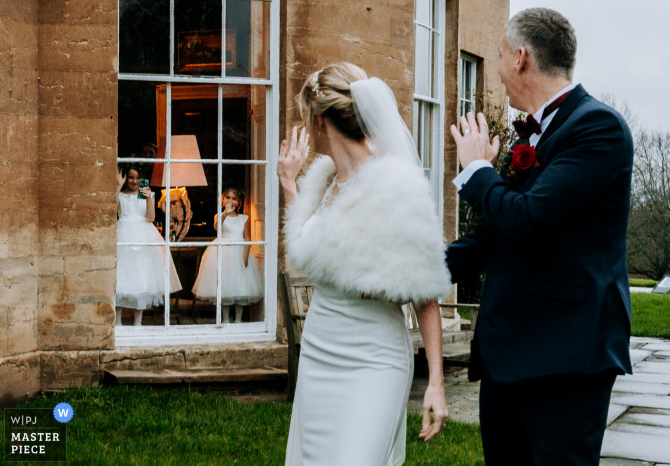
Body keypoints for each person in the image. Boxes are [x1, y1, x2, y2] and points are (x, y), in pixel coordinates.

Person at [446, 8, 633, 466]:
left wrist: (477, 169)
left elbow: (528, 218)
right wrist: (417, 269)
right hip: (508, 351)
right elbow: (497, 232)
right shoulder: (535, 134)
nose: (499, 66)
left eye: (501, 54)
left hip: (564, 355)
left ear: (522, 58)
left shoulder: (598, 128)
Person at [279, 63, 452, 466]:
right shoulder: (322, 180)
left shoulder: (396, 186)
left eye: (308, 118)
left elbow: (426, 298)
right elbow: (305, 251)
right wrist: (290, 185)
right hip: (320, 350)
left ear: (322, 120)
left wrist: (437, 384)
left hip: (374, 358)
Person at [116, 164, 182, 325]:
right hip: (123, 233)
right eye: (131, 177)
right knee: (121, 277)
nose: (134, 181)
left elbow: (150, 218)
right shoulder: (120, 195)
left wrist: (148, 199)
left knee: (142, 277)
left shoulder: (148, 194)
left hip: (143, 234)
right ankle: (117, 322)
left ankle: (137, 322)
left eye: (138, 178)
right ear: (125, 177)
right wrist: (117, 187)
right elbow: (113, 212)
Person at [191, 184, 264, 323]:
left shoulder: (243, 218)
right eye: (228, 198)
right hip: (223, 252)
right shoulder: (219, 216)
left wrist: (246, 254)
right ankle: (225, 319)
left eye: (234, 198)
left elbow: (247, 237)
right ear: (223, 200)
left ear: (239, 202)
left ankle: (238, 319)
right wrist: (225, 213)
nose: (231, 201)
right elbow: (217, 228)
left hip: (239, 252)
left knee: (241, 287)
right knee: (225, 287)